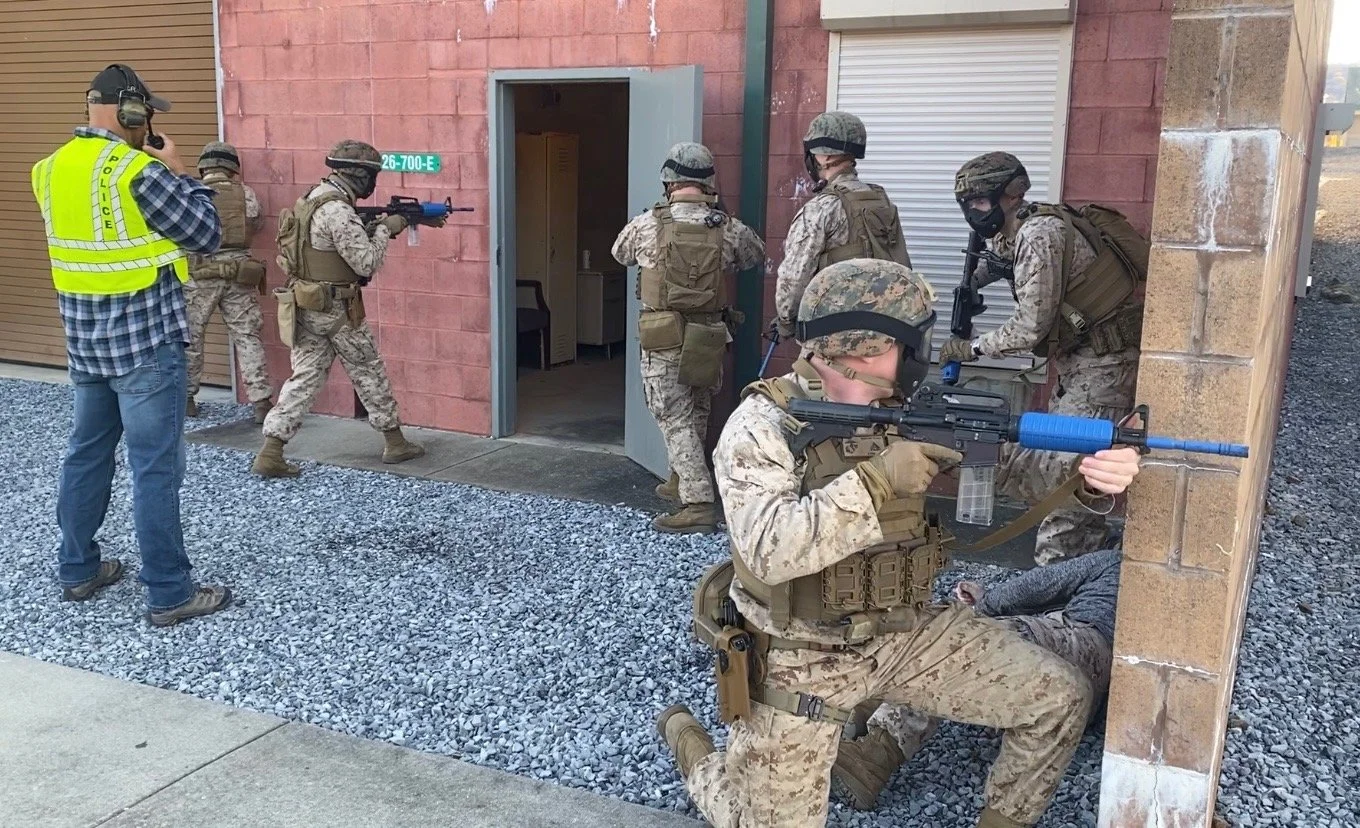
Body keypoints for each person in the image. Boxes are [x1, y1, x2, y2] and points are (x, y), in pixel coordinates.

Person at [656, 259, 1142, 828]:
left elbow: (1014, 466)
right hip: (801, 656)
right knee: (752, 818)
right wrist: (878, 479)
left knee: (1060, 697)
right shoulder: (761, 426)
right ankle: (691, 744)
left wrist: (1086, 475)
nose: (918, 358)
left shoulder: (905, 412)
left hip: (907, 632)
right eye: (907, 344)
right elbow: (769, 547)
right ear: (859, 349)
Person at [31, 63, 232, 626]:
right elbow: (206, 234)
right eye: (146, 115)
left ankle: (78, 570)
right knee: (155, 468)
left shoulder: (47, 170)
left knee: (86, 453)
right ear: (131, 114)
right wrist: (178, 169)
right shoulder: (138, 171)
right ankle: (169, 591)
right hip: (146, 345)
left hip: (85, 345)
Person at [938, 152, 1144, 565]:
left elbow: (1030, 328)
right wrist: (970, 288)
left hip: (1104, 367)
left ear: (1010, 195)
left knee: (1064, 483)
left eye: (979, 203)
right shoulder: (1015, 229)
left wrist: (972, 349)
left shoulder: (1039, 234)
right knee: (1068, 471)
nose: (973, 214)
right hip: (1080, 366)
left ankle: (1052, 596)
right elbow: (1001, 262)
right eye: (966, 205)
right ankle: (1087, 573)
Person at [832, 548, 1123, 810]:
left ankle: (871, 757)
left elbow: (1040, 585)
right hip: (1097, 683)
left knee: (953, 647)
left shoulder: (1115, 562)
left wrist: (986, 606)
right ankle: (858, 723)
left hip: (1080, 639)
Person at [611, 141, 765, 533]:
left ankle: (697, 504)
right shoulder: (726, 227)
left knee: (672, 416)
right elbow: (754, 255)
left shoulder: (647, 223)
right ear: (709, 181)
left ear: (669, 181)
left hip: (664, 336)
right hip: (709, 334)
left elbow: (619, 253)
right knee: (696, 408)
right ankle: (683, 477)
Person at [251, 139, 426, 478]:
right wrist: (384, 231)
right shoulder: (339, 211)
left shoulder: (312, 198)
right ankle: (395, 442)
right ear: (359, 175)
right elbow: (365, 263)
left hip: (307, 304)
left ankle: (271, 450)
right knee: (369, 370)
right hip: (337, 310)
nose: (375, 181)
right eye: (372, 174)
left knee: (303, 378)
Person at [772, 111, 911, 340]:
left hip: (837, 332)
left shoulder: (821, 208)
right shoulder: (880, 199)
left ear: (825, 157)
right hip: (888, 325)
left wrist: (786, 321)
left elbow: (794, 278)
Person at [184, 141, 274, 423]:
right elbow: (256, 224)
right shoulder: (246, 194)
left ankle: (187, 399)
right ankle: (261, 402)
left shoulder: (190, 192)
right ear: (233, 168)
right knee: (247, 337)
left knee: (190, 337)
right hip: (239, 274)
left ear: (204, 166)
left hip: (201, 275)